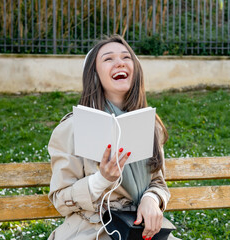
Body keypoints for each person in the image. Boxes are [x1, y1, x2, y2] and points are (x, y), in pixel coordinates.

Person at [47, 35, 179, 240]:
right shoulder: (72, 128)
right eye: (108, 59)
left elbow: (158, 183)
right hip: (92, 230)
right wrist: (101, 180)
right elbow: (60, 200)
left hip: (140, 230)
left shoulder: (149, 125)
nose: (120, 62)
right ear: (94, 74)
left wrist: (151, 199)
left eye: (126, 57)